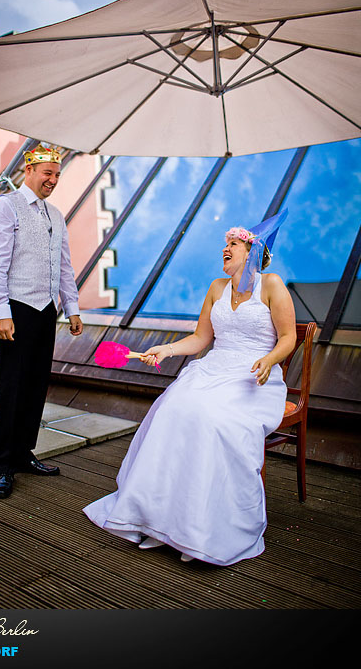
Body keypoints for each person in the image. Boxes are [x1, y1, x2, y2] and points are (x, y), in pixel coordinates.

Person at [83, 211, 296, 566]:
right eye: (225, 244)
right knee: (173, 409)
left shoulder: (272, 285)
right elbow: (200, 339)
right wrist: (165, 349)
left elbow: (288, 337)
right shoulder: (216, 289)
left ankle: (203, 527)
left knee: (213, 419)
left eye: (233, 244)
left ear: (252, 249)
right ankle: (161, 518)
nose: (224, 249)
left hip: (253, 375)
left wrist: (270, 360)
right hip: (214, 369)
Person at [0, 144, 83, 499]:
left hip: (46, 311)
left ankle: (24, 454)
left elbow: (65, 265)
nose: (53, 180)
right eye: (48, 173)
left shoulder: (56, 215)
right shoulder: (4, 207)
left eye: (57, 175)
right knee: (11, 387)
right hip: (17, 309)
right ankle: (3, 467)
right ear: (28, 171)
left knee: (36, 385)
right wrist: (1, 313)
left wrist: (71, 308)